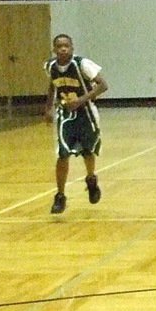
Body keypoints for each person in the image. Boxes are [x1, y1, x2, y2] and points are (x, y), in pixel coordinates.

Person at [43, 34, 108, 214]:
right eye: (59, 46)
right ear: (54, 49)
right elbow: (52, 86)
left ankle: (91, 179)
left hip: (86, 113)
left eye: (66, 46)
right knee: (63, 153)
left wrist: (81, 100)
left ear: (72, 48)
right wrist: (48, 107)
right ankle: (60, 196)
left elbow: (103, 85)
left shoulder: (82, 64)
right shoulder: (50, 66)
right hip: (65, 114)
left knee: (88, 151)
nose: (63, 49)